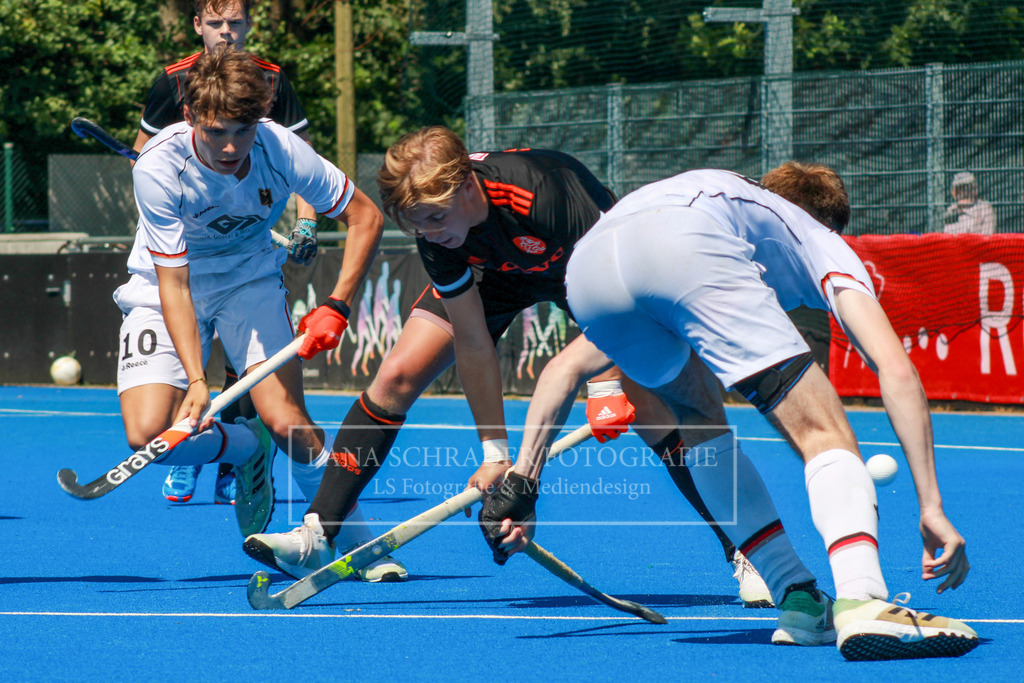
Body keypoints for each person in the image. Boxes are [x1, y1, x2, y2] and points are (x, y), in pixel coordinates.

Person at [243, 126, 778, 609]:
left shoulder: (545, 193)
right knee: (396, 375)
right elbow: (474, 343)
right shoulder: (439, 232)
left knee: (652, 409)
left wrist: (607, 381)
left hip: (596, 273)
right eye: (416, 225)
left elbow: (619, 299)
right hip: (494, 272)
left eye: (434, 219)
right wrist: (495, 454)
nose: (427, 233)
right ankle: (321, 532)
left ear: (468, 188)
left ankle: (749, 551)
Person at [480, 164, 978, 660]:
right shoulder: (815, 237)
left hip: (588, 270)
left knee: (696, 414)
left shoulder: (722, 201)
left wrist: (522, 486)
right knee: (821, 429)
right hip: (680, 246)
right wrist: (931, 505)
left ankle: (800, 601)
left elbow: (560, 373)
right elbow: (894, 368)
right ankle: (865, 600)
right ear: (828, 224)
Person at [116, 48, 404, 582]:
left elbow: (365, 217)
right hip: (163, 289)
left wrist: (336, 305)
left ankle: (360, 546)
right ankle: (245, 447)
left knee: (292, 424)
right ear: (191, 118)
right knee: (149, 436)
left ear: (260, 121)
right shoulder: (159, 166)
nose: (231, 147)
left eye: (243, 131)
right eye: (217, 131)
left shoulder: (279, 147)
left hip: (249, 280)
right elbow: (174, 284)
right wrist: (198, 381)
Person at [133, 0, 321, 505]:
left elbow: (303, 160)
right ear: (197, 26)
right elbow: (142, 151)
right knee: (154, 416)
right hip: (185, 253)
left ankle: (251, 455)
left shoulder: (274, 82)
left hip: (244, 258)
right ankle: (212, 450)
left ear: (249, 24)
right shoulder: (171, 83)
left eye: (234, 22)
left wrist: (305, 220)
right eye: (215, 22)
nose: (226, 32)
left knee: (263, 391)